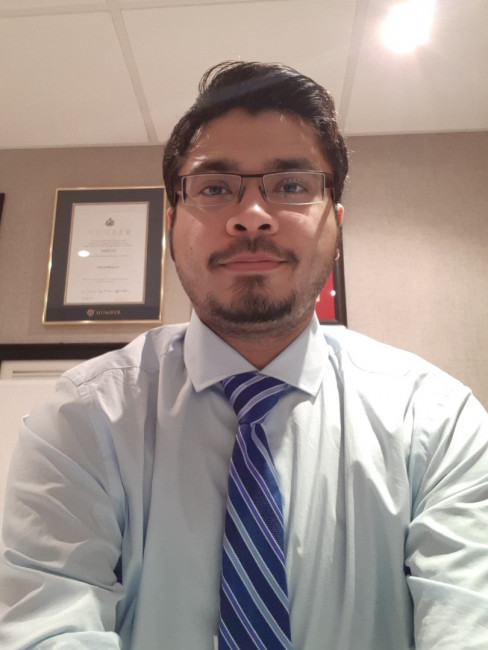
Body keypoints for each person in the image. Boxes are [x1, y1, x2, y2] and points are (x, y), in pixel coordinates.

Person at [0, 61, 487, 650]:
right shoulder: (80, 421)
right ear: (172, 225)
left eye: (291, 185)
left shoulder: (439, 422)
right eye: (214, 187)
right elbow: (45, 629)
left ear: (335, 225)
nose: (252, 214)